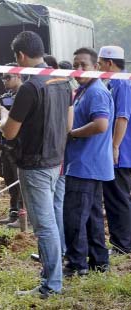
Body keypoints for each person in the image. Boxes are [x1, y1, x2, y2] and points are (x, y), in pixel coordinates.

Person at [0, 31, 72, 298]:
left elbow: (9, 133)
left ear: (20, 55)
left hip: (35, 164)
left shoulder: (29, 88)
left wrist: (4, 115)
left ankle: (51, 285)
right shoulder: (62, 80)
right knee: (53, 218)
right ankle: (55, 276)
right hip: (57, 159)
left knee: (45, 226)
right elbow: (69, 124)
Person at [63, 47, 114, 276]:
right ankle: (98, 263)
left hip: (86, 165)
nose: (79, 69)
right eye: (75, 65)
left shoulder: (96, 92)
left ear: (96, 67)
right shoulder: (84, 90)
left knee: (74, 217)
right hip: (89, 165)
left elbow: (101, 124)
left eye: (84, 65)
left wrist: (72, 133)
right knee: (93, 218)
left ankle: (76, 265)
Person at [98, 46, 131, 255]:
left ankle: (122, 245)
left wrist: (115, 146)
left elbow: (122, 116)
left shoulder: (120, 82)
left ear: (110, 63)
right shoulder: (118, 82)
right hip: (123, 150)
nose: (99, 67)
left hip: (122, 152)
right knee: (118, 196)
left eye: (100, 63)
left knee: (117, 197)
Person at [0, 66, 23, 227]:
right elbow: (2, 124)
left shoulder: (25, 95)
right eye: (3, 78)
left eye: (8, 77)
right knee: (10, 180)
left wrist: (4, 112)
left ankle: (23, 217)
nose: (5, 81)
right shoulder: (6, 97)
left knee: (20, 182)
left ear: (18, 75)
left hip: (19, 146)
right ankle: (13, 212)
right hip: (5, 145)